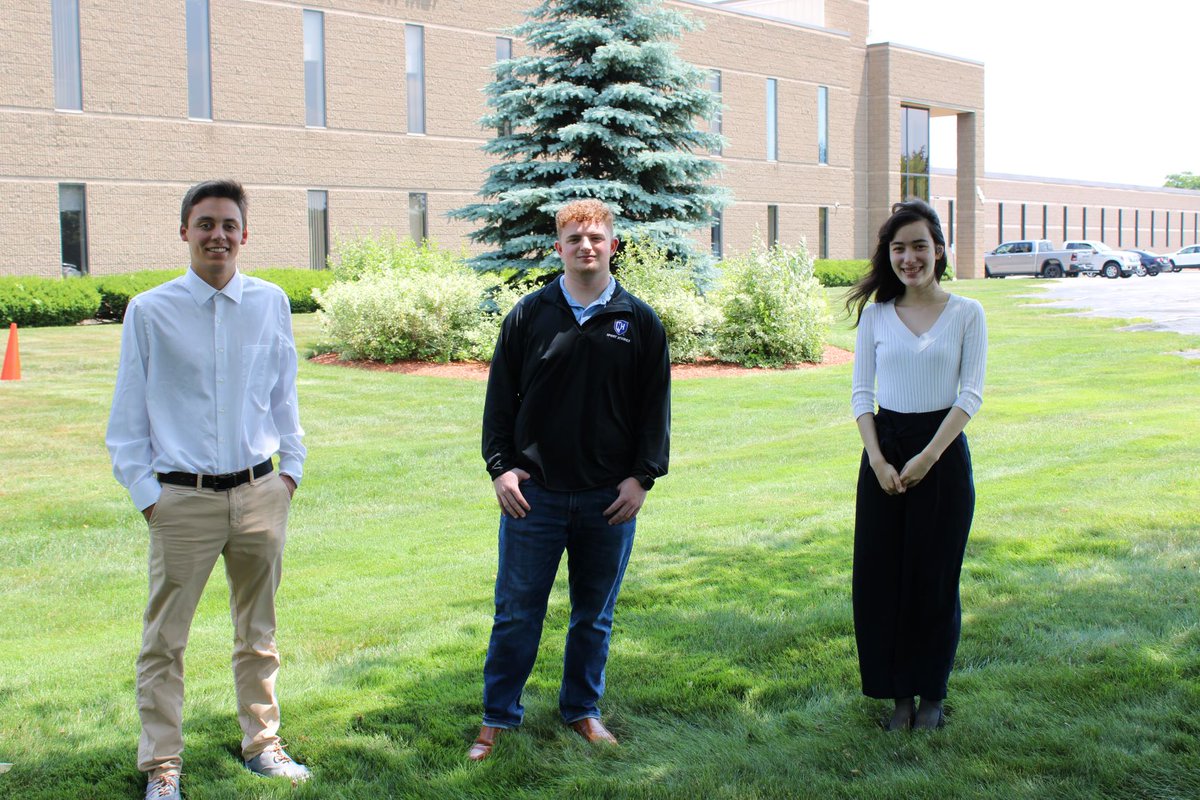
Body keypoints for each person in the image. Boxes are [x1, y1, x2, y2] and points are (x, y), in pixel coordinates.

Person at [106, 180, 310, 799]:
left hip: (258, 494)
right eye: (205, 224)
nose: (217, 235)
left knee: (259, 633)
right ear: (185, 232)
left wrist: (290, 471)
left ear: (244, 234)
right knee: (164, 642)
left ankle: (262, 743)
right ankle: (162, 765)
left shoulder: (270, 302)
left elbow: (283, 395)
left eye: (228, 224)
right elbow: (127, 417)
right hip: (181, 501)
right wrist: (149, 494)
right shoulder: (150, 310)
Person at [469, 199, 671, 761]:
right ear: (558, 248)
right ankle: (497, 718)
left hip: (610, 499)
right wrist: (501, 468)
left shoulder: (640, 321)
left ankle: (582, 710)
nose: (587, 245)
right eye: (575, 238)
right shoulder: (529, 316)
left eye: (597, 237)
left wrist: (641, 479)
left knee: (593, 615)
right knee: (516, 612)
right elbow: (498, 405)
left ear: (613, 245)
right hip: (535, 497)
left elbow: (655, 409)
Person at [845, 199, 987, 732]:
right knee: (881, 579)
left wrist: (928, 457)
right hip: (884, 453)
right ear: (889, 254)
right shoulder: (877, 316)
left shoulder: (968, 313)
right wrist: (879, 459)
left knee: (933, 577)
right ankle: (896, 695)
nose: (909, 257)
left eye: (919, 246)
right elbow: (861, 394)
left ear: (939, 251)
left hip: (942, 457)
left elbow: (970, 394)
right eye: (899, 248)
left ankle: (932, 696)